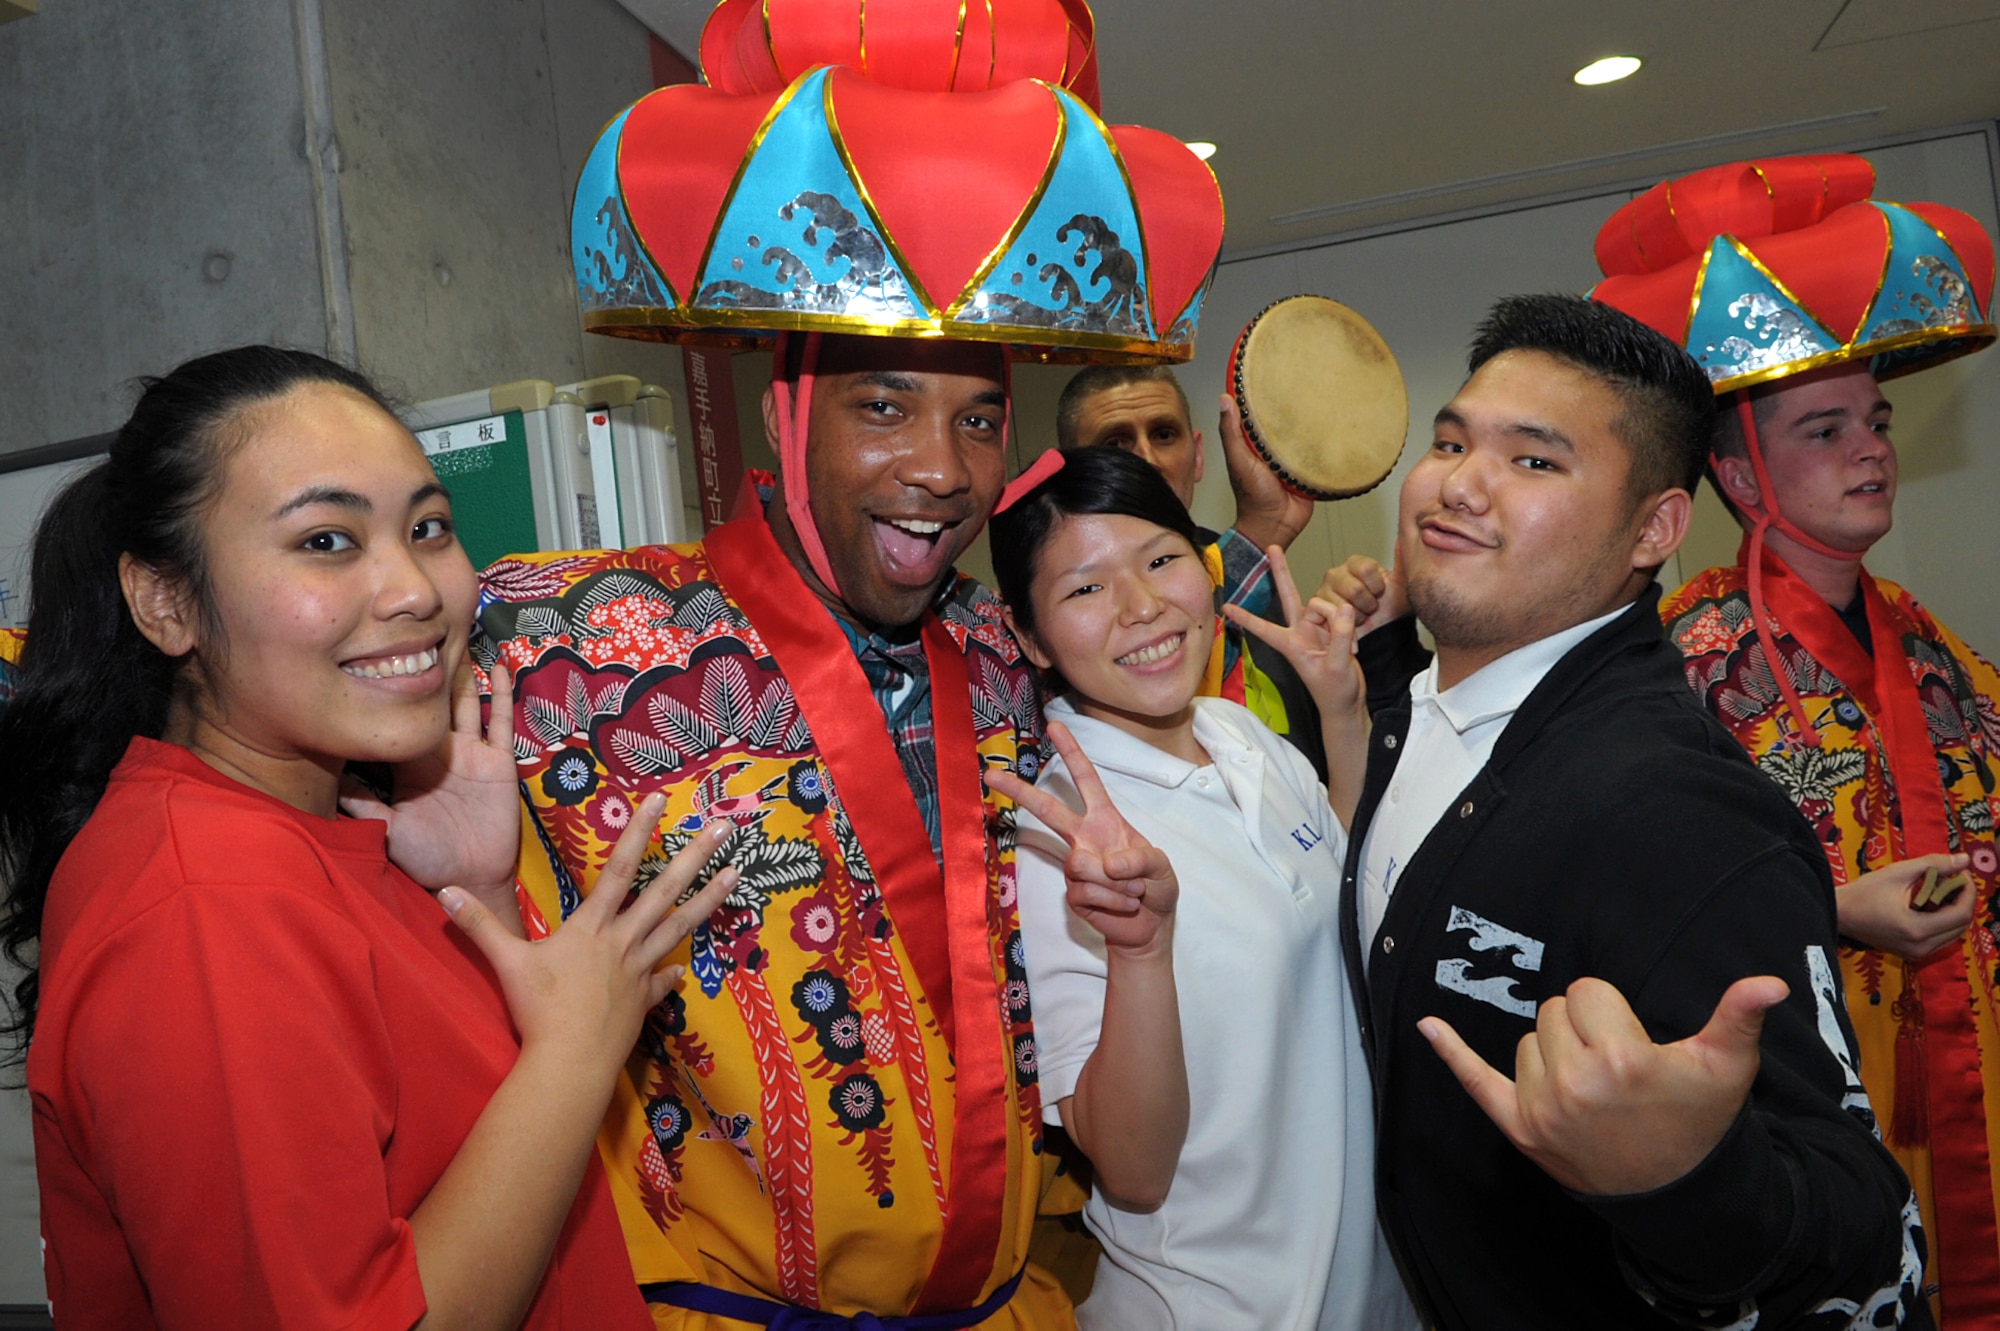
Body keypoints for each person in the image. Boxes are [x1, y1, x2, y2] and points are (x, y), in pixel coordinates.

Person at [390, 5, 1228, 1322]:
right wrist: (476, 880)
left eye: (979, 420)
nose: (940, 468)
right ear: (785, 414)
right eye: (883, 405)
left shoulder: (1000, 653)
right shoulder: (563, 642)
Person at [0, 346, 735, 1329]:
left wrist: (477, 895)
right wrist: (574, 1049)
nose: (415, 588)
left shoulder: (306, 830)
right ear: (165, 602)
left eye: (427, 528)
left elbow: (461, 1165)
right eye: (326, 541)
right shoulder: (210, 903)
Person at [1316, 294, 1929, 1329]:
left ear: (1654, 528)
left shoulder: (1675, 811)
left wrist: (1684, 1180)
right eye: (1451, 441)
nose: (1457, 483)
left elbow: (1861, 1231)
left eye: (1533, 460)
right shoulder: (1408, 711)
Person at [1588, 152, 2000, 1322]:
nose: (1871, 447)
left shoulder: (1934, 645)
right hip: (1806, 1090)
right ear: (1733, 468)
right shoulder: (1676, 663)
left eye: (1874, 419)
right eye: (1824, 427)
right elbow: (1635, 905)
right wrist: (1832, 908)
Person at [982, 445, 1413, 1330]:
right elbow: (1134, 1170)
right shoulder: (1063, 838)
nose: (1142, 606)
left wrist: (1340, 710)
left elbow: (1334, 891)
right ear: (1030, 637)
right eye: (1086, 588)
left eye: (1160, 558)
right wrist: (1142, 950)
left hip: (1370, 1289)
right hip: (1220, 1305)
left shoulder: (1237, 733)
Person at [1054, 366, 1328, 778]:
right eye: (1116, 443)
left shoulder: (1267, 588)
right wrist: (1262, 530)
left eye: (1164, 435)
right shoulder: (1061, 618)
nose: (1147, 459)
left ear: (1198, 456)